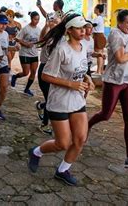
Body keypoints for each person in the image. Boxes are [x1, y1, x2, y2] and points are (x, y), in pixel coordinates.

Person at [28, 14, 93, 186]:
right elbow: (46, 75)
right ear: (69, 30)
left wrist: (87, 78)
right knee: (62, 143)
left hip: (78, 101)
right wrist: (70, 84)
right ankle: (36, 152)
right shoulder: (61, 49)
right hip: (59, 102)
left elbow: (79, 69)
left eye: (84, 27)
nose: (83, 31)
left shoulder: (83, 46)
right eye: (79, 28)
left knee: (80, 139)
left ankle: (63, 170)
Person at [88, 9, 128, 168]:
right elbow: (121, 58)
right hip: (114, 81)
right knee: (106, 114)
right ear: (120, 22)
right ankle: (86, 126)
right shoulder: (115, 34)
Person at [35, 14, 61, 135]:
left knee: (53, 98)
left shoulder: (62, 39)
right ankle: (45, 124)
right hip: (45, 69)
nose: (54, 24)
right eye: (52, 22)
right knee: (50, 99)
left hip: (57, 71)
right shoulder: (48, 37)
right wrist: (46, 25)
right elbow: (41, 38)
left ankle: (41, 106)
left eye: (57, 22)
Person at [11, 11, 41, 97]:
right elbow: (17, 38)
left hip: (34, 53)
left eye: (38, 19)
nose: (37, 21)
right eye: (35, 19)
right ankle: (15, 77)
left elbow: (39, 41)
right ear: (31, 19)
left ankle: (27, 89)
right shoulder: (26, 29)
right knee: (25, 72)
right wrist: (25, 44)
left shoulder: (39, 29)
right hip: (24, 53)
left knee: (33, 72)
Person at [92, 4, 107, 74]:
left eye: (95, 8)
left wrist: (87, 23)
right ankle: (101, 70)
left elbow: (93, 25)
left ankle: (98, 71)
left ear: (97, 10)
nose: (94, 9)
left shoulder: (98, 18)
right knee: (101, 54)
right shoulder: (100, 17)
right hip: (100, 36)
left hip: (98, 36)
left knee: (99, 54)